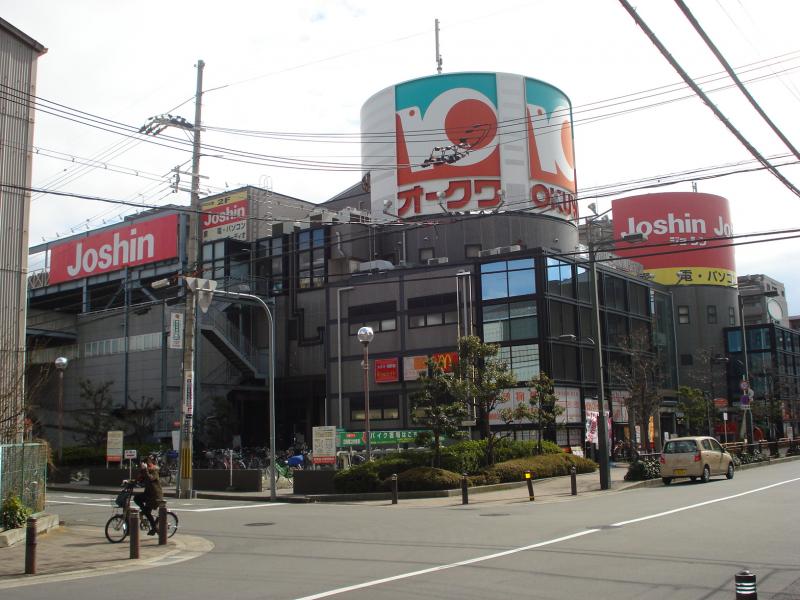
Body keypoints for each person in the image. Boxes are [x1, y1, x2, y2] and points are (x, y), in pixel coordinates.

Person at [133, 454, 163, 535]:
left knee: (147, 512)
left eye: (147, 463)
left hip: (155, 495)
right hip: (148, 494)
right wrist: (129, 482)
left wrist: (145, 469)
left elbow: (150, 478)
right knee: (136, 498)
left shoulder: (155, 470)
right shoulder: (145, 470)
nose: (145, 464)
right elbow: (139, 478)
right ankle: (144, 511)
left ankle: (155, 528)